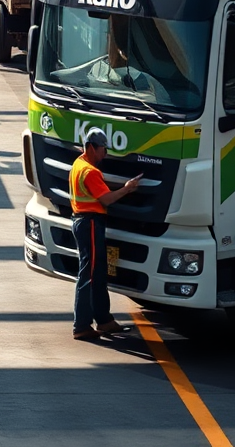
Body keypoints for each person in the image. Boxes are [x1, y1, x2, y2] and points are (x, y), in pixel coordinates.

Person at [69, 127, 142, 341]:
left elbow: (97, 191)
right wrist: (128, 188)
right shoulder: (90, 171)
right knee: (89, 274)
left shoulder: (78, 164)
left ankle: (104, 320)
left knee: (97, 273)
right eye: (103, 149)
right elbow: (106, 199)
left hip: (85, 222)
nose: (105, 153)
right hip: (90, 222)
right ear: (91, 147)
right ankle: (81, 325)